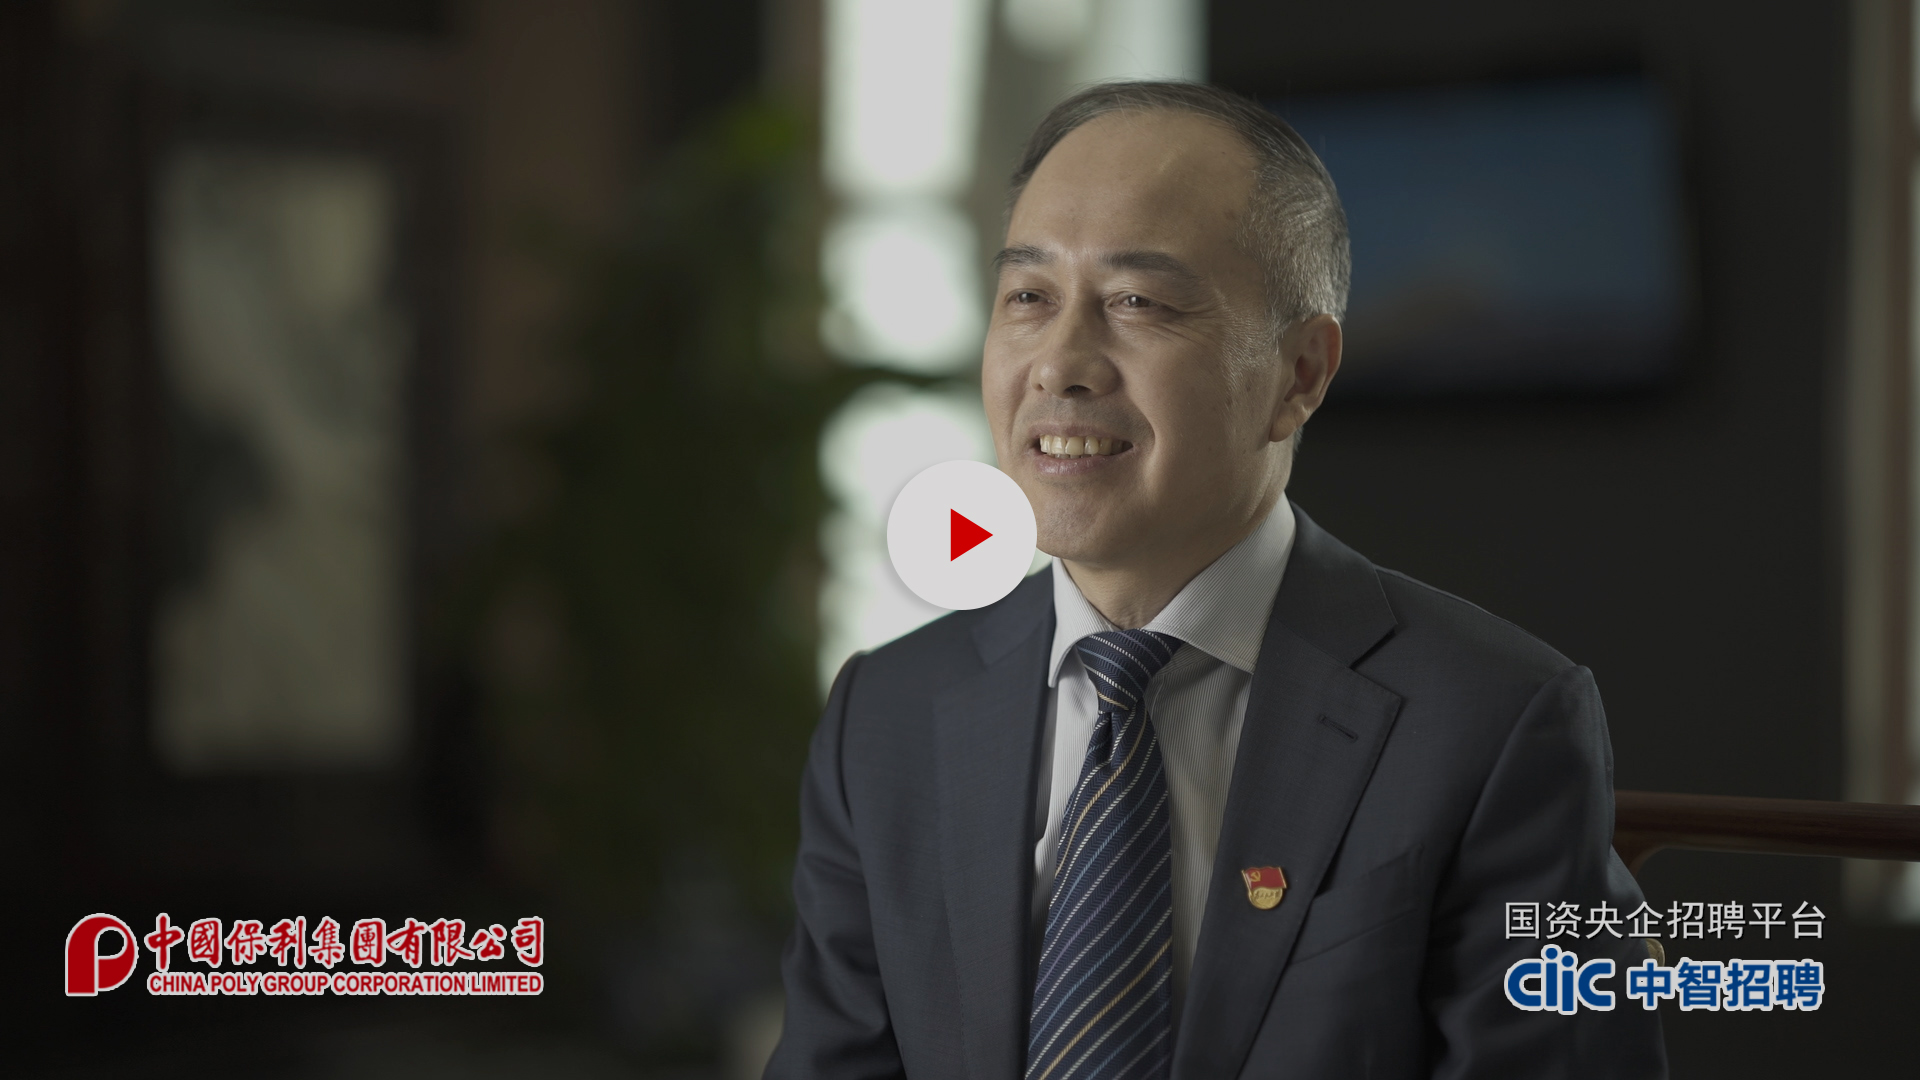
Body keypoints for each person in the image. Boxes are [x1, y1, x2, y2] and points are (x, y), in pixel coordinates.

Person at [765, 81, 1665, 1080]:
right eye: (1028, 298)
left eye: (1137, 302)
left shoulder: (1490, 723)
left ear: (1300, 374)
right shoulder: (886, 716)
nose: (1060, 365)